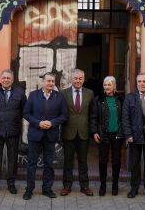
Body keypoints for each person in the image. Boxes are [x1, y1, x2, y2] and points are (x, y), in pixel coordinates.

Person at [22, 72, 68, 200]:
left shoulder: (59, 97)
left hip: (50, 135)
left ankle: (47, 189)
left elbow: (64, 116)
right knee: (31, 163)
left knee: (49, 164)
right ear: (43, 82)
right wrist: (38, 123)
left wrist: (52, 123)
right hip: (35, 135)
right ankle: (29, 190)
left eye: (53, 81)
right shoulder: (33, 95)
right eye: (48, 81)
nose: (50, 83)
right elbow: (26, 113)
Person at [0, 69, 27, 195]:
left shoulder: (20, 93)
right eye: (4, 78)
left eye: (8, 78)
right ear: (0, 79)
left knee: (12, 158)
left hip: (13, 130)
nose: (6, 80)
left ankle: (11, 183)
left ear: (12, 80)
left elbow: (24, 110)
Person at [60, 69, 94, 197]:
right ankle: (67, 186)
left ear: (83, 80)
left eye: (80, 78)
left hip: (84, 133)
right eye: (76, 78)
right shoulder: (64, 93)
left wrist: (92, 130)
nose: (78, 80)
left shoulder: (90, 93)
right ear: (71, 79)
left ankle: (84, 186)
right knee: (68, 161)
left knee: (83, 161)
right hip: (68, 132)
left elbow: (92, 114)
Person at [89, 76, 125, 196]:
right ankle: (103, 185)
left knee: (116, 160)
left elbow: (124, 118)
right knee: (103, 160)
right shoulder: (97, 99)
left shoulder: (120, 99)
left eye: (109, 85)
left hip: (117, 134)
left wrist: (124, 132)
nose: (107, 87)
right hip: (102, 133)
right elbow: (93, 118)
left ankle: (115, 185)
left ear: (114, 86)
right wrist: (94, 132)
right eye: (105, 85)